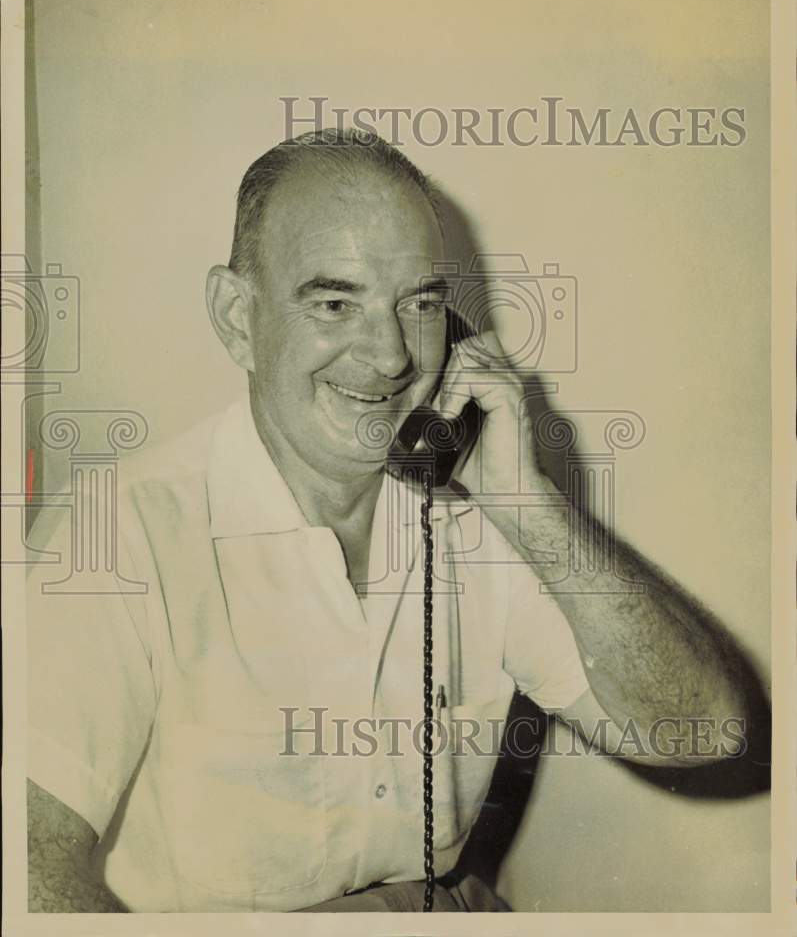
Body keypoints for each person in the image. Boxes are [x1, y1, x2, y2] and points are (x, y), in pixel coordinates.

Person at [26, 128, 756, 913]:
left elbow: (700, 734)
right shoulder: (119, 533)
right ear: (238, 316)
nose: (389, 356)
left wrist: (524, 501)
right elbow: (26, 867)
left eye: (419, 305)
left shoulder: (482, 517)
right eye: (335, 303)